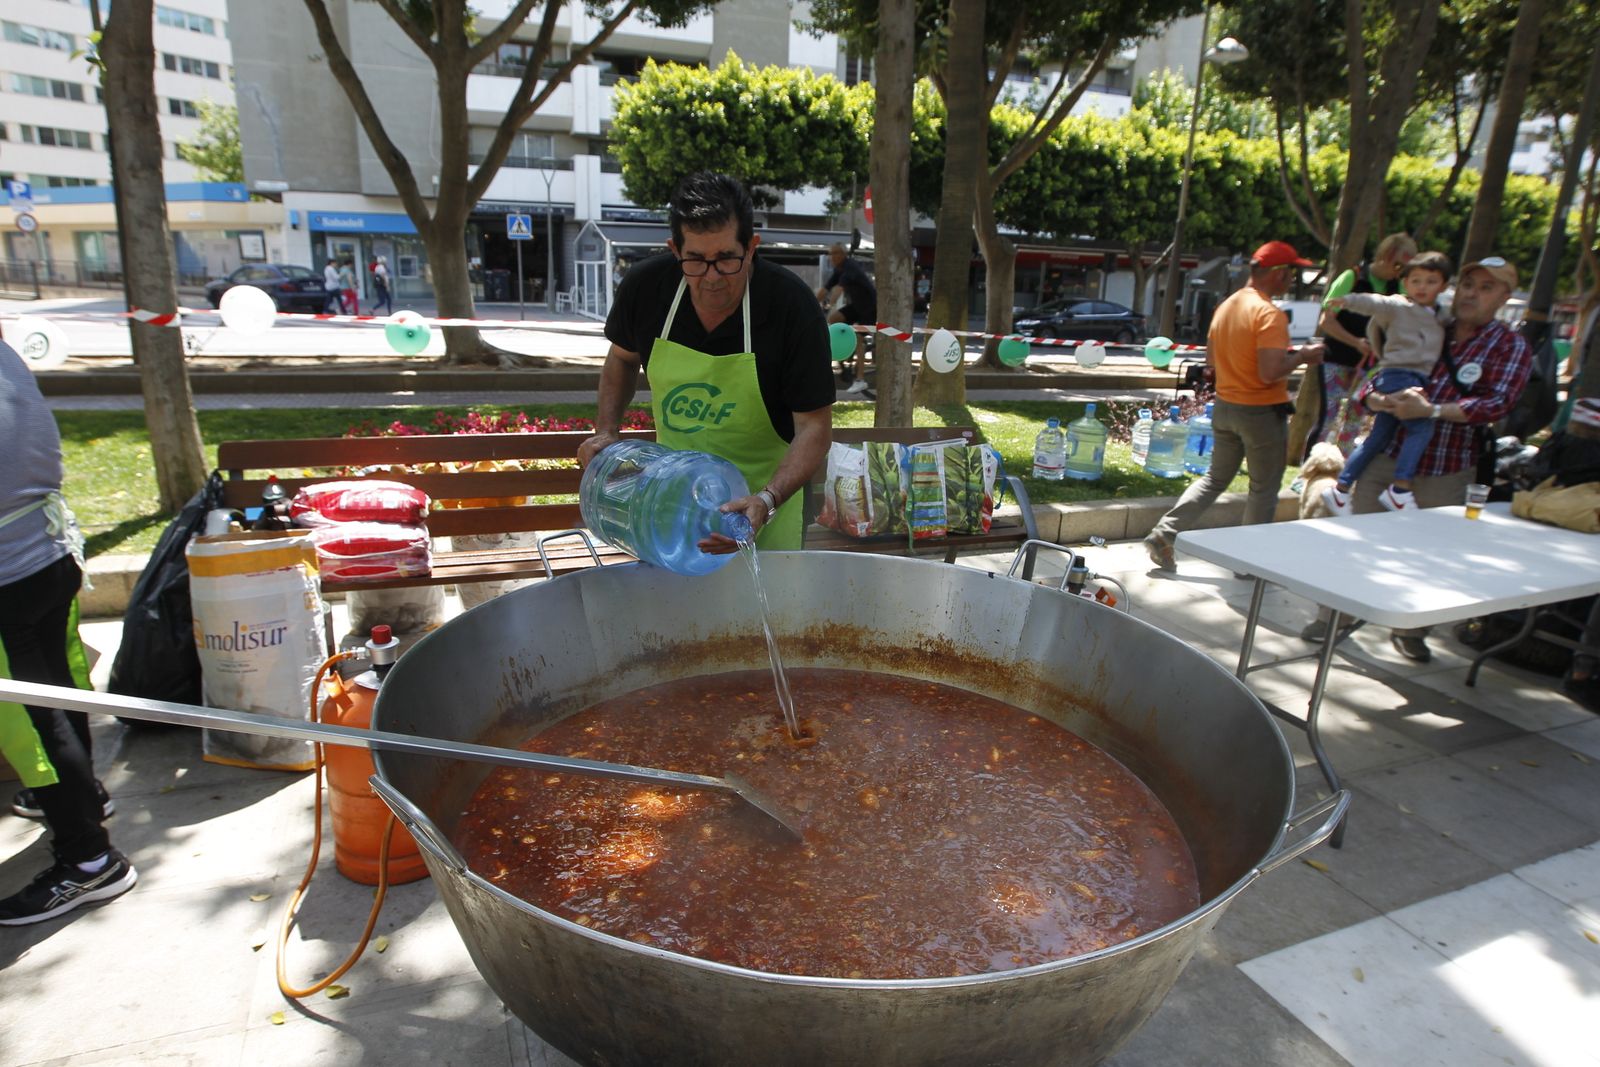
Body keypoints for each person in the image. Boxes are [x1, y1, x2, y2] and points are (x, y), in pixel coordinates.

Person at [578, 172, 834, 552]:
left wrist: (766, 499)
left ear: (751, 248)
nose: (712, 277)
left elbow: (814, 426)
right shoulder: (645, 289)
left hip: (766, 506)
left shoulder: (791, 307)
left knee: (771, 613)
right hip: (674, 509)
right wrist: (607, 431)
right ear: (674, 249)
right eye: (696, 260)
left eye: (727, 258)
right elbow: (621, 358)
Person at [1304, 256, 1534, 660]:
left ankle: (1410, 629)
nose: (1472, 294)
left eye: (1486, 287)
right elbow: (1379, 369)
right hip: (1385, 456)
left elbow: (1498, 403)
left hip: (1446, 467)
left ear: (1504, 296)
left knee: (1430, 556)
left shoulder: (1509, 344)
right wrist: (1372, 397)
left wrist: (1431, 410)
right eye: (1468, 284)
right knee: (1352, 540)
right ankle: (1332, 615)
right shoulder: (1426, 320)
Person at [0, 340, 136, 925]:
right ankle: (82, 797)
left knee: (33, 721)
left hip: (10, 571)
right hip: (49, 549)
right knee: (59, 690)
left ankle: (88, 861)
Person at [1143, 241, 1325, 570]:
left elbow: (1212, 362)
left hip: (1225, 406)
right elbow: (1270, 373)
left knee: (1214, 478)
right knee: (1263, 489)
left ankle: (1164, 533)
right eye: (1292, 272)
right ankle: (1248, 563)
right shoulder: (1269, 314)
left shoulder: (1226, 306)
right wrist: (1302, 356)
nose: (1292, 280)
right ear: (1280, 273)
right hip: (1261, 412)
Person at [1322, 251, 1453, 513]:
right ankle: (1400, 488)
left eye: (1430, 281)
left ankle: (1340, 489)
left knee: (1378, 437)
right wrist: (1346, 301)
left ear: (1443, 285)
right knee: (1421, 428)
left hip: (1412, 375)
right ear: (1405, 283)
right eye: (1415, 280)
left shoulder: (1440, 314)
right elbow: (1374, 303)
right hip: (1400, 374)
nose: (1422, 287)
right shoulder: (1399, 306)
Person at [1294, 233, 1417, 459]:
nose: (1400, 271)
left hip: (1370, 366)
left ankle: (1341, 474)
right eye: (1398, 264)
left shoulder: (1398, 286)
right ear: (1385, 256)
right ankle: (1309, 471)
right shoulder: (1353, 277)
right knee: (1327, 419)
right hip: (1337, 359)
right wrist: (1355, 342)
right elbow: (1326, 320)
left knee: (1354, 422)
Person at [815, 242, 878, 394]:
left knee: (858, 339)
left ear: (843, 254)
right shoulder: (839, 269)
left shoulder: (850, 267)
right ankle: (846, 353)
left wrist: (829, 305)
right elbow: (825, 289)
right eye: (830, 253)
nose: (832, 257)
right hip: (856, 307)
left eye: (835, 253)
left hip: (870, 308)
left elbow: (838, 290)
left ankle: (860, 380)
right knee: (834, 319)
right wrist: (810, 305)